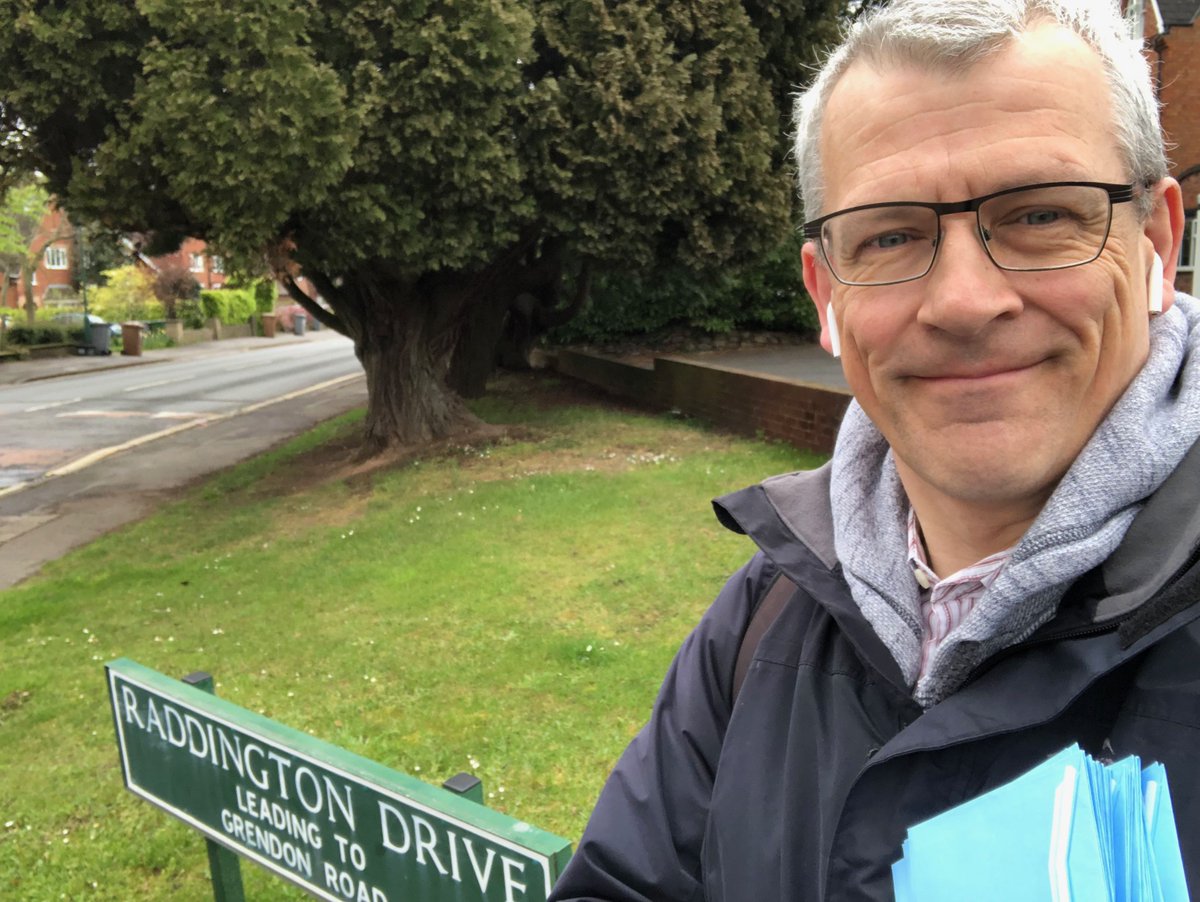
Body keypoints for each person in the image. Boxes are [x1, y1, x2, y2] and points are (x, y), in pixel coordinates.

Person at [548, 0, 1200, 899]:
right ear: (826, 294)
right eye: (891, 236)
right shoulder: (769, 609)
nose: (965, 303)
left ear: (1158, 242)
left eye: (1040, 216)